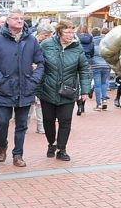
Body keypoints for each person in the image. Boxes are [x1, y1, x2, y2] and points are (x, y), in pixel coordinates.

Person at [0, 8, 44, 168]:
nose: (19, 21)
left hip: (26, 89)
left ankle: (18, 154)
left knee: (22, 124)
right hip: (5, 88)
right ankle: (1, 145)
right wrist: (0, 80)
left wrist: (34, 80)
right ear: (7, 21)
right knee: (2, 121)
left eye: (22, 18)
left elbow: (41, 63)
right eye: (16, 18)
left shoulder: (31, 40)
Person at [37, 20, 91, 162]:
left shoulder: (77, 47)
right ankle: (51, 143)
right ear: (59, 32)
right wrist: (36, 86)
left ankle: (62, 149)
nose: (71, 35)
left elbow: (84, 69)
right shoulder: (46, 45)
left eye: (73, 32)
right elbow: (38, 64)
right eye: (67, 32)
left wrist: (85, 90)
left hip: (68, 90)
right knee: (48, 120)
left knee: (65, 120)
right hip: (47, 90)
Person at [31, 24, 55, 134]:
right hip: (32, 76)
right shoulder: (32, 43)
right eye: (49, 35)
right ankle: (24, 125)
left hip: (43, 75)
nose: (51, 37)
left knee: (39, 102)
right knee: (32, 102)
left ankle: (40, 126)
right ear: (44, 35)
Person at [90, 26, 112, 111]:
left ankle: (98, 104)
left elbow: (90, 53)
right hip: (106, 65)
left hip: (95, 65)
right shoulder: (105, 41)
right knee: (104, 84)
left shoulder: (91, 42)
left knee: (97, 85)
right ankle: (104, 100)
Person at [75, 25, 94, 116]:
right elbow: (92, 51)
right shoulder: (90, 39)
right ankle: (83, 105)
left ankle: (78, 104)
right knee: (85, 83)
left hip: (77, 62)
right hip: (88, 62)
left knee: (77, 83)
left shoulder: (76, 38)